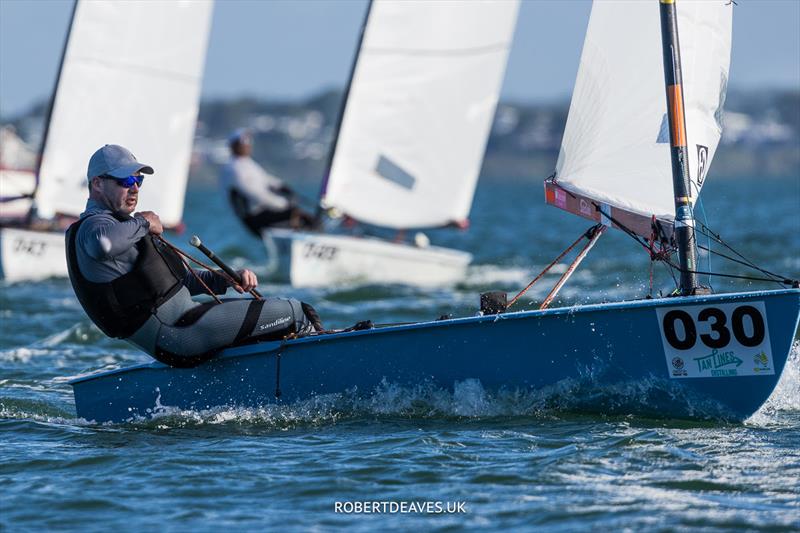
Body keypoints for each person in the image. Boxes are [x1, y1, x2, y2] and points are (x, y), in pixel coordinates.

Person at [65, 144, 324, 368]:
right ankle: (326, 370)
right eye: (125, 181)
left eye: (138, 180)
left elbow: (184, 282)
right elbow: (102, 245)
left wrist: (225, 279)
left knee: (273, 321)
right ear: (97, 183)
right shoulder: (94, 227)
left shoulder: (121, 227)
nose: (134, 188)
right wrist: (144, 223)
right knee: (297, 312)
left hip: (185, 327)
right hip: (180, 336)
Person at [219, 129, 316, 236]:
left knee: (307, 218)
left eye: (248, 143)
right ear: (232, 146)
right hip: (254, 217)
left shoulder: (248, 164)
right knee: (297, 215)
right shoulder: (233, 169)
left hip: (262, 213)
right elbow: (257, 195)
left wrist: (283, 187)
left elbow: (267, 179)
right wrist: (282, 203)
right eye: (242, 143)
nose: (246, 146)